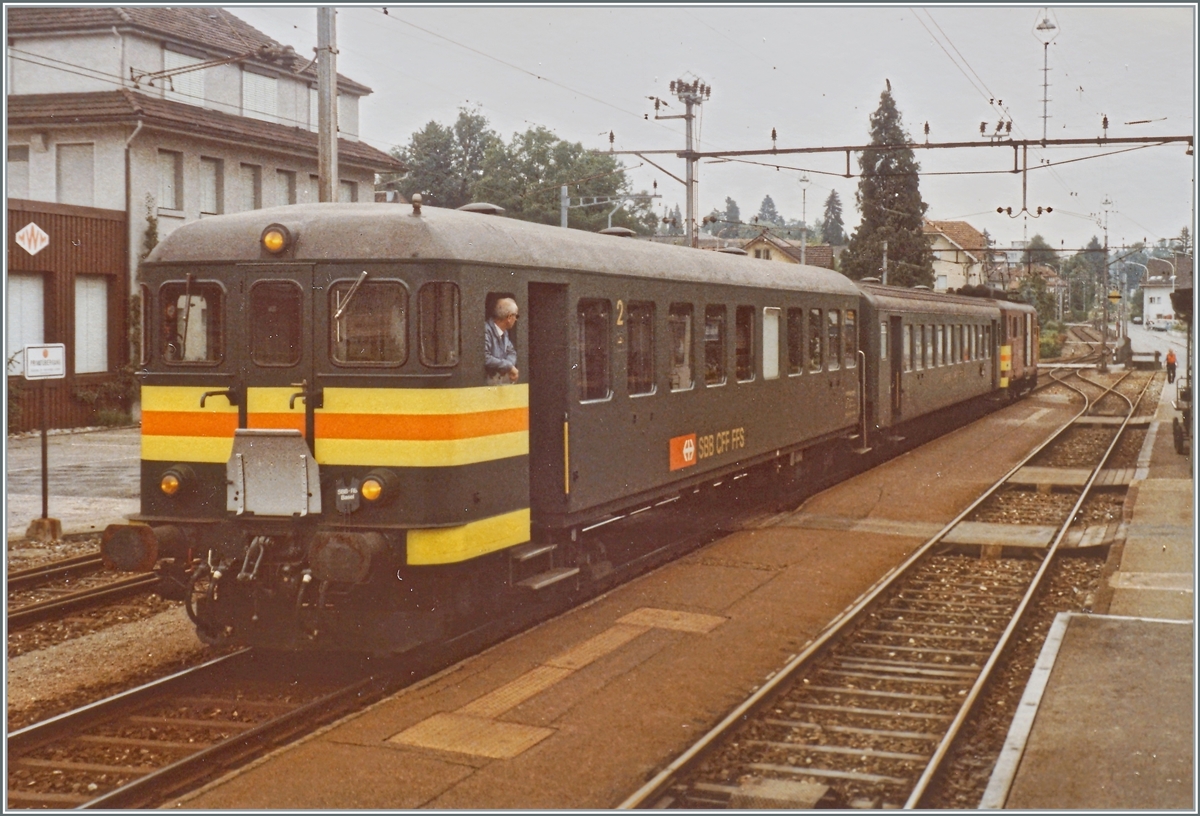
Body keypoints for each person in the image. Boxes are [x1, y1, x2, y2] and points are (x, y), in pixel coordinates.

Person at [485, 297, 520, 384]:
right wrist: (509, 367)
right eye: (516, 316)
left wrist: (508, 366)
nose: (516, 319)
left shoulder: (504, 332)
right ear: (509, 317)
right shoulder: (485, 331)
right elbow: (485, 357)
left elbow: (511, 352)